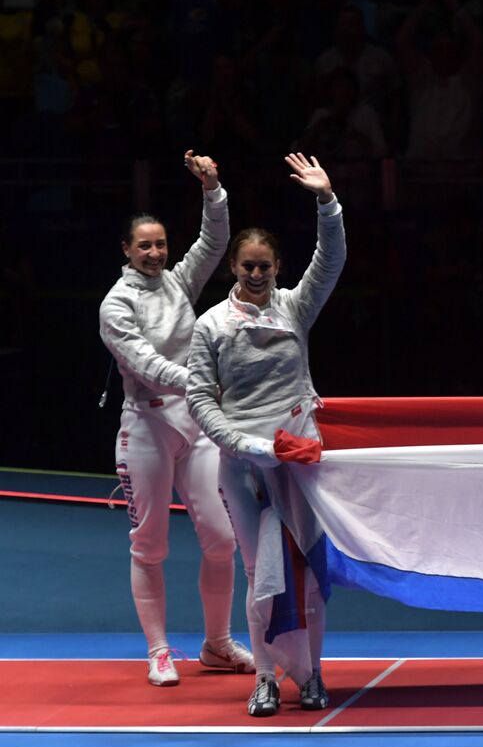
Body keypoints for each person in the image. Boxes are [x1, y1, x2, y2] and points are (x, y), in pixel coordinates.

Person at [185, 153, 346, 718]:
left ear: (277, 268)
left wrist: (327, 201)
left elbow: (330, 262)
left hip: (300, 458)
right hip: (243, 463)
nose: (256, 274)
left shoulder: (294, 310)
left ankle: (315, 675)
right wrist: (250, 446)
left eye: (266, 267)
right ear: (234, 266)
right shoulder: (210, 325)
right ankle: (267, 680)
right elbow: (201, 399)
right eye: (248, 266)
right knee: (259, 575)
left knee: (309, 571)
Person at [98, 149, 253, 687]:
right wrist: (201, 380)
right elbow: (146, 363)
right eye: (145, 246)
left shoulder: (177, 283)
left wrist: (213, 189)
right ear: (127, 250)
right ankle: (160, 651)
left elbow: (213, 244)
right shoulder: (116, 305)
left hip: (196, 424)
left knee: (222, 538)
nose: (156, 253)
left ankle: (216, 644)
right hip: (146, 429)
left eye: (161, 244)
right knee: (151, 544)